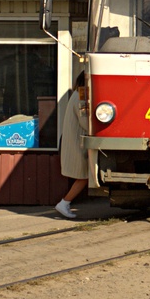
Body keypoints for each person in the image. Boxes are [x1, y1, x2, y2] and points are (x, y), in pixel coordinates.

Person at [55, 71, 88, 220]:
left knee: (83, 175)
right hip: (78, 143)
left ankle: (65, 203)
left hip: (74, 142)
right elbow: (85, 122)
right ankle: (64, 203)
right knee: (83, 176)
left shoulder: (76, 94)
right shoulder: (81, 96)